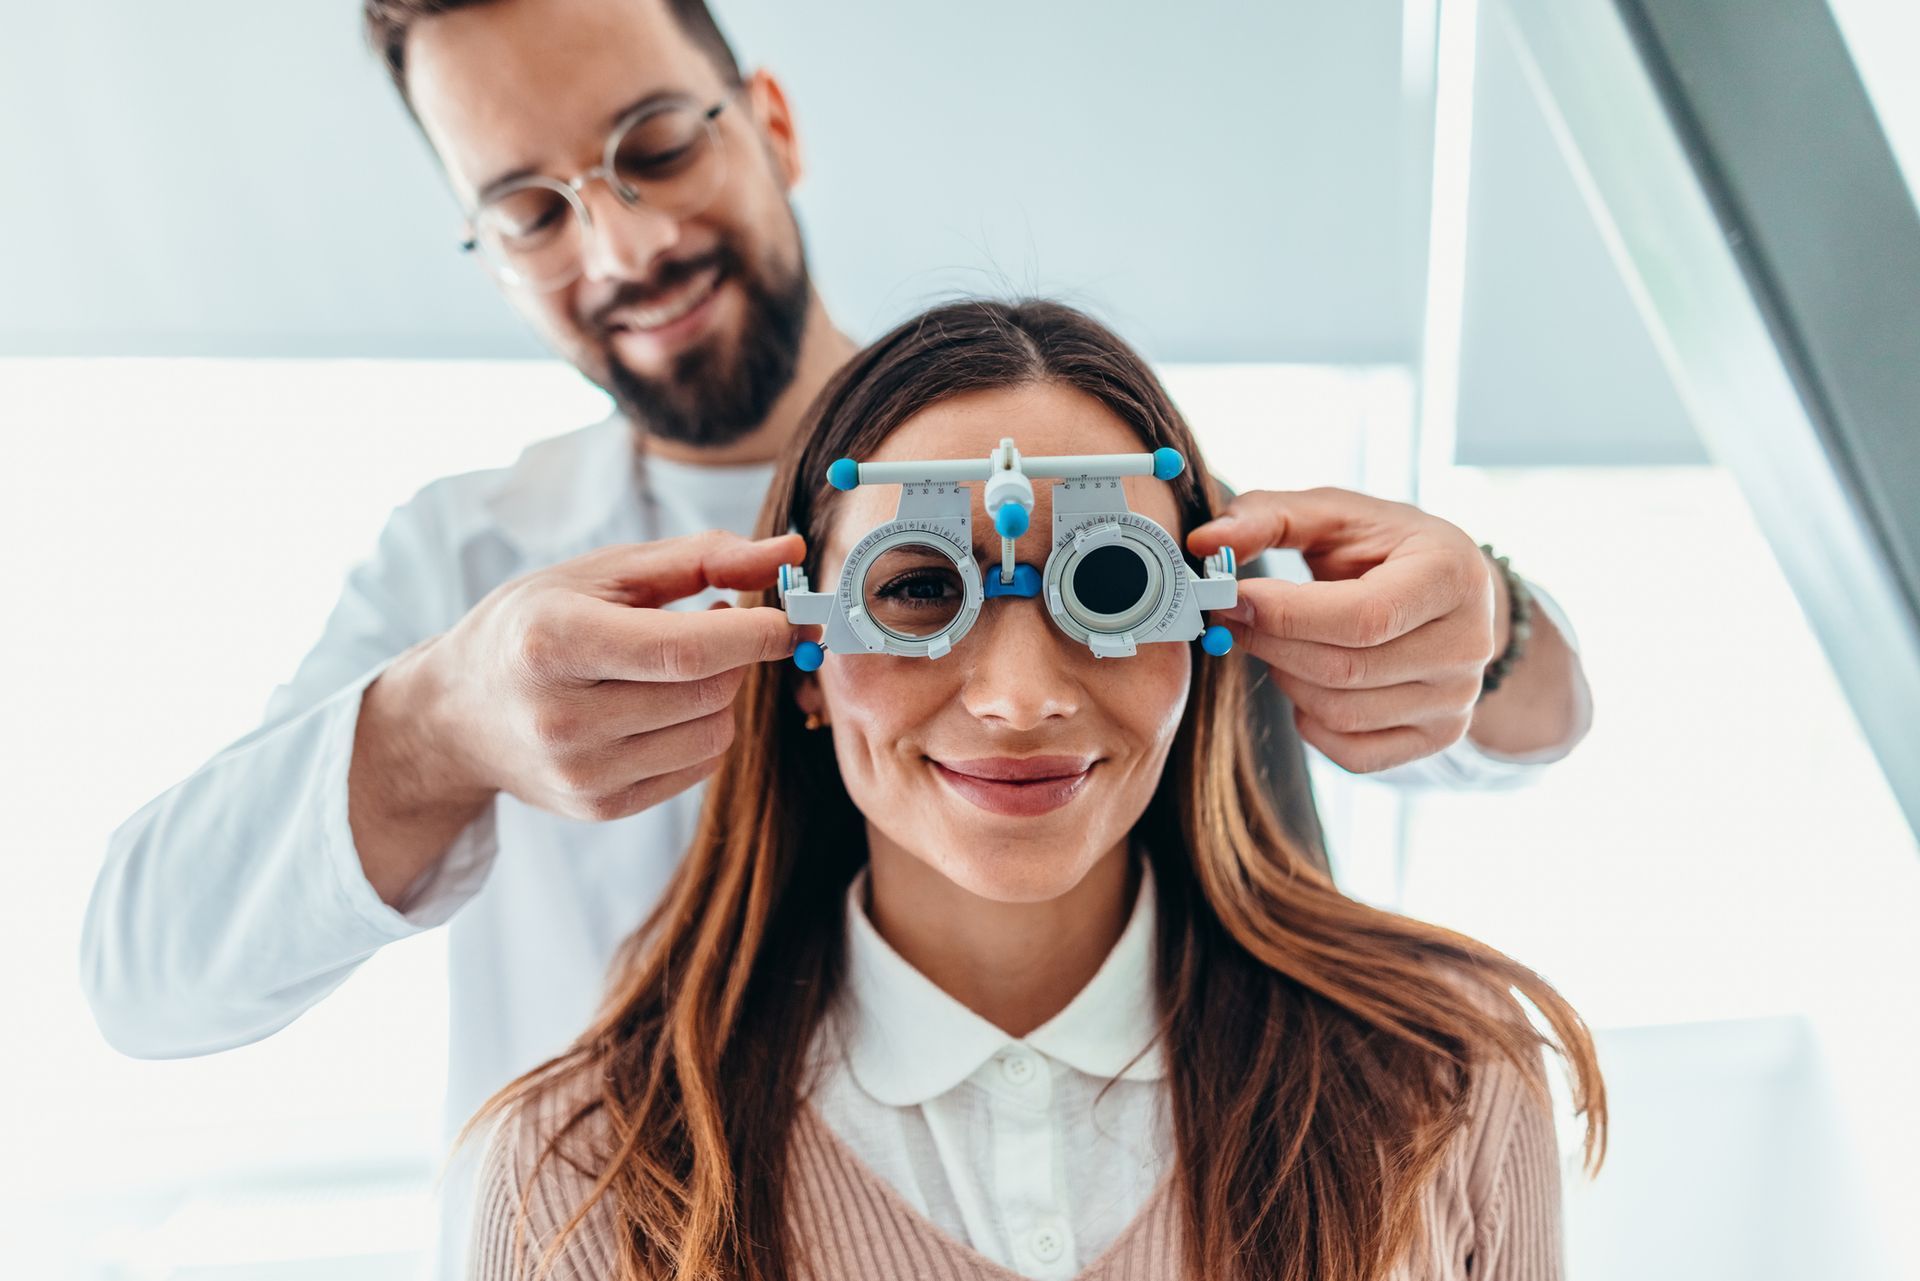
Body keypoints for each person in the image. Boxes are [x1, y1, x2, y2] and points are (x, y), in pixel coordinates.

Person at [79, 0, 1593, 1273]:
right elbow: (144, 974)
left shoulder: (1095, 464)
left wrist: (1484, 615)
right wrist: (434, 728)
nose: (622, 246)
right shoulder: (461, 571)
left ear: (770, 124)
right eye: (531, 210)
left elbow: (1523, 718)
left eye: (656, 146)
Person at [466, 298, 1606, 1281]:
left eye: (1109, 582)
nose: (1020, 697)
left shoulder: (1443, 1089)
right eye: (916, 590)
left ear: (1205, 629)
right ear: (800, 656)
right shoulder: (578, 1174)